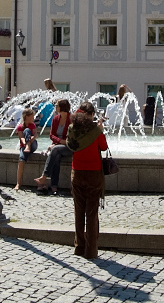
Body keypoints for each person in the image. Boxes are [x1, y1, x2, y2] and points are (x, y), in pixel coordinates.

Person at [66, 101, 108, 259]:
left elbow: (70, 145)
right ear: (90, 115)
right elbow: (103, 147)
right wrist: (100, 130)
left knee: (79, 211)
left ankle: (78, 247)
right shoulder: (95, 130)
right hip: (93, 174)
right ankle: (91, 251)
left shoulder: (72, 129)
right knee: (91, 213)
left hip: (76, 172)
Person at [34, 99, 72, 195]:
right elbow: (52, 135)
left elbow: (72, 137)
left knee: (54, 150)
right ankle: (54, 186)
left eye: (57, 105)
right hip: (58, 146)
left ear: (62, 107)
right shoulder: (55, 119)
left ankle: (44, 177)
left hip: (69, 147)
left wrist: (61, 142)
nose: (55, 107)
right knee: (56, 156)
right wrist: (58, 142)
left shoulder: (72, 119)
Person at [14, 108, 38, 191]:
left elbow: (35, 135)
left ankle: (28, 146)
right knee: (21, 160)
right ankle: (18, 183)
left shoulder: (33, 125)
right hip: (24, 146)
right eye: (32, 116)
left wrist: (31, 140)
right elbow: (21, 139)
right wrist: (26, 143)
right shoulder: (20, 127)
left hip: (33, 144)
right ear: (26, 117)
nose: (33, 118)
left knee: (28, 130)